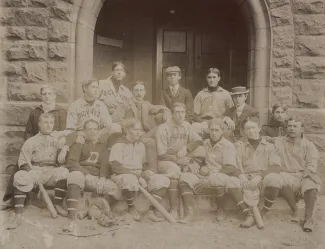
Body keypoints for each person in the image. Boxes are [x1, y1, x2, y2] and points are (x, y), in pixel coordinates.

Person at [179, 118, 256, 226]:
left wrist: (208, 176)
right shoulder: (205, 143)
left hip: (222, 174)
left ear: (222, 131)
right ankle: (190, 212)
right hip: (206, 175)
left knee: (217, 179)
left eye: (217, 130)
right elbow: (198, 159)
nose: (214, 133)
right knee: (185, 177)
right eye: (212, 130)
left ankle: (225, 210)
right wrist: (192, 163)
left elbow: (229, 168)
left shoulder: (228, 145)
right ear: (208, 131)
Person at [6, 113, 70, 230]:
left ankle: (57, 204)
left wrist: (65, 147)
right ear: (39, 124)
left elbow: (73, 133)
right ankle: (18, 214)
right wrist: (30, 171)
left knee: (64, 172)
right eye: (45, 122)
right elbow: (22, 161)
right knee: (19, 176)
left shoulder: (58, 138)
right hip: (35, 171)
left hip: (51, 172)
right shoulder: (31, 141)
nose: (49, 125)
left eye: (51, 122)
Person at [63, 119, 121, 232]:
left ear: (99, 131)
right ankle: (72, 217)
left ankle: (91, 208)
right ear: (84, 131)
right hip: (82, 176)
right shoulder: (79, 143)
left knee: (115, 189)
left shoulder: (102, 146)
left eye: (95, 129)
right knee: (74, 176)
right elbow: (71, 162)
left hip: (96, 178)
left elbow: (105, 164)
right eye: (89, 129)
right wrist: (86, 174)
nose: (93, 132)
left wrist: (103, 178)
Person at [109, 119, 170, 222]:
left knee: (162, 179)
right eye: (135, 129)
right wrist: (138, 177)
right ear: (127, 130)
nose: (139, 132)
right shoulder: (118, 144)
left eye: (140, 130)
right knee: (130, 180)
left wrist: (146, 171)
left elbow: (143, 164)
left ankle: (150, 211)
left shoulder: (140, 144)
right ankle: (131, 209)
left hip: (138, 174)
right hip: (121, 175)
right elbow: (116, 167)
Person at [156, 103, 205, 220]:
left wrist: (187, 148)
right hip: (167, 160)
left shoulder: (187, 125)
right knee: (174, 171)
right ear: (172, 114)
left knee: (201, 151)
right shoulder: (163, 128)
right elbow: (161, 154)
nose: (180, 115)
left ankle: (189, 211)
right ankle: (173, 208)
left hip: (183, 159)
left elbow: (198, 140)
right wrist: (178, 160)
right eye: (177, 112)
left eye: (182, 112)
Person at [271, 118, 321, 232]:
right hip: (286, 174)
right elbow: (261, 139)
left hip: (303, 174)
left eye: (295, 126)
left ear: (302, 129)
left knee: (311, 186)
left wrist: (303, 180)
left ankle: (308, 218)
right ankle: (295, 209)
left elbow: (311, 165)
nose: (292, 128)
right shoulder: (279, 141)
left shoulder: (309, 146)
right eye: (290, 126)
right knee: (278, 178)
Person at [232, 117, 283, 228]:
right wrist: (240, 175)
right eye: (247, 129)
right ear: (244, 131)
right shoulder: (239, 147)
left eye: (253, 127)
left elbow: (276, 166)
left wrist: (260, 177)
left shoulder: (270, 146)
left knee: (275, 179)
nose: (251, 131)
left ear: (259, 128)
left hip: (262, 179)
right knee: (232, 181)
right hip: (246, 179)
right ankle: (249, 215)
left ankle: (263, 211)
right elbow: (234, 165)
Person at [58, 79, 120, 164]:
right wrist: (76, 136)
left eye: (97, 87)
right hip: (82, 135)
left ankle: (111, 162)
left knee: (116, 127)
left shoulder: (101, 105)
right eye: (93, 87)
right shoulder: (75, 105)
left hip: (97, 134)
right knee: (61, 141)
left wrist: (103, 126)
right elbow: (70, 128)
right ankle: (65, 164)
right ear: (85, 88)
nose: (96, 90)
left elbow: (108, 124)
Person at [192, 68, 233, 138]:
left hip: (220, 123)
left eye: (214, 77)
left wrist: (226, 119)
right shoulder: (200, 94)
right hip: (203, 123)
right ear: (206, 78)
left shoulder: (226, 94)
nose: (211, 80)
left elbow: (231, 111)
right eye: (209, 77)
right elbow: (194, 114)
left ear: (219, 78)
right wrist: (202, 122)